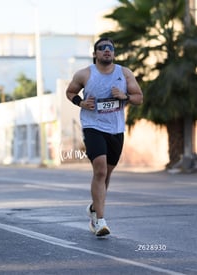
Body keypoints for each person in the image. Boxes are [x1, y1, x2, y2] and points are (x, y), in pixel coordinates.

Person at [65, 37, 143, 237]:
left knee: (106, 175)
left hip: (116, 130)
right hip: (93, 127)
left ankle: (93, 208)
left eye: (110, 48)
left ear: (114, 53)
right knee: (99, 171)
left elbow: (139, 98)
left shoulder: (124, 73)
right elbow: (70, 92)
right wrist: (81, 103)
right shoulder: (84, 74)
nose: (107, 51)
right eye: (102, 48)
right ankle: (99, 221)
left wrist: (124, 97)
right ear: (95, 54)